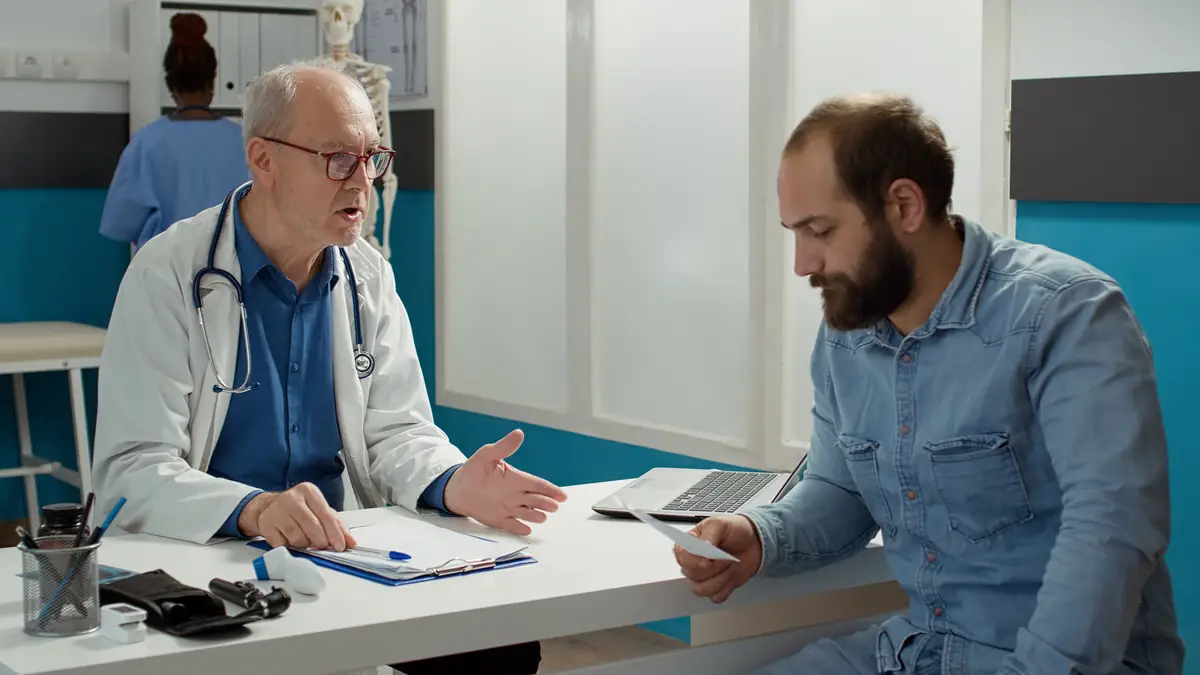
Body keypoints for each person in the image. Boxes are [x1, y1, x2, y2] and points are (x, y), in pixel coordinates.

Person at [676, 93, 1184, 675]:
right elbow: (839, 490)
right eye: (796, 233)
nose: (803, 263)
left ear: (904, 206)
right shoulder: (849, 334)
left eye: (819, 230)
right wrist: (760, 534)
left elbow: (1111, 530)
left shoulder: (1065, 314)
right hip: (917, 650)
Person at [91, 59, 564, 675]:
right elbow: (132, 467)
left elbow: (398, 431)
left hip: (336, 552)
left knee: (500, 646)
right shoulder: (168, 275)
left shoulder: (367, 275)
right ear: (264, 160)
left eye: (372, 157)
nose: (362, 182)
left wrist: (453, 482)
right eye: (339, 158)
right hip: (209, 558)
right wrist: (254, 509)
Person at [98, 12, 249, 250]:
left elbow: (124, 222)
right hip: (233, 272)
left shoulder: (146, 142)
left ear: (171, 86)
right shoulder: (246, 142)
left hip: (163, 274)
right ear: (213, 83)